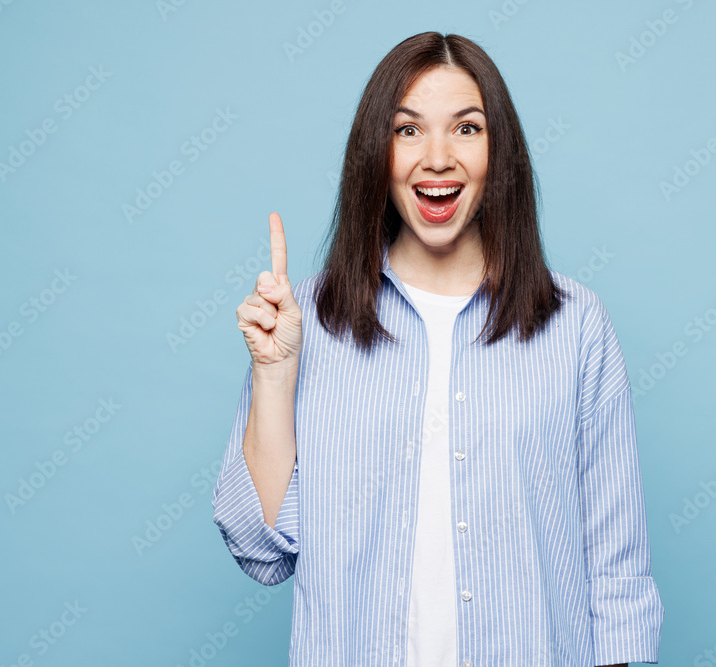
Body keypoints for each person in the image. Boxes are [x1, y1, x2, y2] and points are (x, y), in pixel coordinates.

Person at [212, 31, 664, 666]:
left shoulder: (576, 325)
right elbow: (262, 550)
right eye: (408, 131)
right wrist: (274, 374)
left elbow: (614, 576)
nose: (438, 158)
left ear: (497, 150)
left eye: (467, 128)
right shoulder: (308, 320)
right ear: (377, 152)